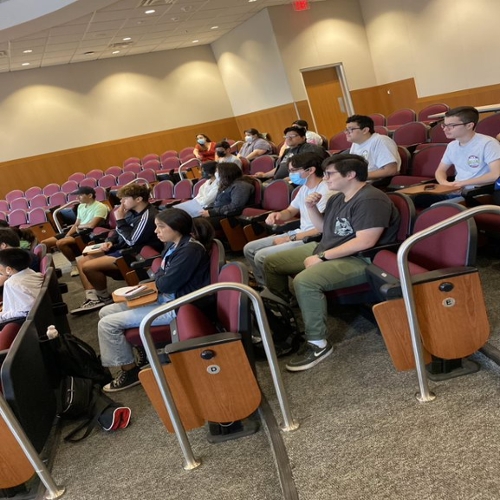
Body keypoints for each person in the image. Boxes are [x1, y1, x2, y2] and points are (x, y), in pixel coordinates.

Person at [263, 154, 400, 372]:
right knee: (271, 262)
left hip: (361, 258)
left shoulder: (370, 199)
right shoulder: (338, 197)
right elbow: (325, 229)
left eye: (329, 173)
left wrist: (321, 257)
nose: (325, 178)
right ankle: (291, 316)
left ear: (351, 174)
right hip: (330, 247)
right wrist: (311, 208)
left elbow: (365, 241)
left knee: (305, 281)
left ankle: (318, 344)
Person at [97, 210, 214, 392]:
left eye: (161, 227)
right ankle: (140, 350)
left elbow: (165, 282)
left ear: (177, 228)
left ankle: (130, 372)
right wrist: (160, 277)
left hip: (179, 306)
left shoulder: (190, 250)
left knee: (107, 324)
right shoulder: (173, 244)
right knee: (105, 312)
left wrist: (160, 277)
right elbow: (160, 273)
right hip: (166, 297)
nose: (155, 231)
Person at [70, 183, 161, 314]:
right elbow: (117, 232)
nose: (121, 201)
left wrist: (120, 220)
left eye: (124, 198)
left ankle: (104, 298)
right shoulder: (131, 212)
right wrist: (110, 241)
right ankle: (92, 297)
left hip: (134, 254)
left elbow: (132, 241)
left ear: (138, 199)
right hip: (121, 248)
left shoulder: (148, 215)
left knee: (88, 266)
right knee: (81, 260)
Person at [243, 153, 333, 286]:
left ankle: (281, 296)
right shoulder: (304, 188)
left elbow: (320, 229)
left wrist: (288, 239)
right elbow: (290, 211)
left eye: (293, 170)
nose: (290, 174)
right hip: (299, 232)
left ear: (310, 170)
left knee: (261, 256)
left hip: (311, 238)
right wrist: (278, 215)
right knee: (249, 248)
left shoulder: (325, 191)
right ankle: (264, 285)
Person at [41, 186, 109, 276]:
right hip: (78, 230)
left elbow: (92, 225)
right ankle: (52, 272)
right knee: (44, 243)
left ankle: (74, 265)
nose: (77, 198)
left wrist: (79, 226)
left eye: (80, 195)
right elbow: (76, 224)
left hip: (88, 232)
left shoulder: (100, 207)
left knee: (60, 243)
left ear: (90, 195)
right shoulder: (80, 206)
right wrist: (67, 235)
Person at [253, 126, 328, 181]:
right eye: (286, 136)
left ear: (303, 138)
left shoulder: (311, 149)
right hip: (279, 181)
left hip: (298, 182)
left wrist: (291, 178)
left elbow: (314, 169)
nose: (288, 138)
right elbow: (280, 168)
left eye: (292, 136)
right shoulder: (287, 151)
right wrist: (264, 175)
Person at [345, 114, 401, 184]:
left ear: (365, 130)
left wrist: (358, 176)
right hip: (360, 182)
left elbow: (391, 170)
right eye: (346, 129)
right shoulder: (355, 144)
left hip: (377, 184)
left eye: (351, 129)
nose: (346, 132)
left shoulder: (381, 140)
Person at [201, 162, 255, 230]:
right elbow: (216, 201)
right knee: (191, 219)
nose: (215, 174)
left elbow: (234, 207)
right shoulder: (225, 184)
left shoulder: (241, 186)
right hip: (219, 213)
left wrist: (211, 212)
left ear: (226, 173)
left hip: (230, 216)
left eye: (217, 172)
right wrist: (206, 209)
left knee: (200, 224)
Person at [0, 248, 44, 329]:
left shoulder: (12, 283)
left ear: (9, 269)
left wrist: (2, 316)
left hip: (25, 323)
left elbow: (25, 311)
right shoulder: (31, 272)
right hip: (40, 313)